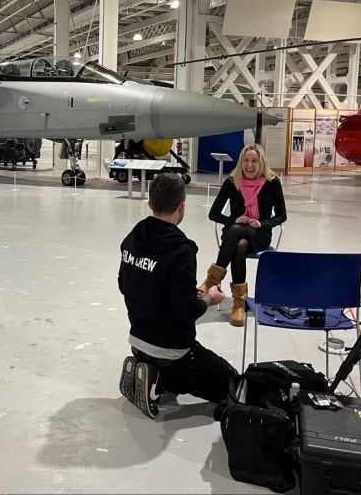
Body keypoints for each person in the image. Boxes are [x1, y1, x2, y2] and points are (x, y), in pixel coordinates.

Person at [118, 172, 239, 419]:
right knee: (234, 384)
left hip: (138, 339)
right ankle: (160, 379)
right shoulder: (180, 250)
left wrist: (181, 293)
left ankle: (150, 372)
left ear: (150, 204)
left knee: (182, 370)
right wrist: (209, 299)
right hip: (174, 351)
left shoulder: (134, 237)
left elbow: (125, 284)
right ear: (182, 207)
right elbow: (186, 312)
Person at [201, 144, 287, 327]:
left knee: (235, 233)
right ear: (241, 162)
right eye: (246, 160)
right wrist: (234, 219)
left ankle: (211, 281)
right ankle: (239, 303)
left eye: (254, 161)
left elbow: (282, 215)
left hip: (260, 234)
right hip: (235, 232)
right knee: (240, 244)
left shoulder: (272, 182)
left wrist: (262, 223)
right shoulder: (232, 182)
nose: (249, 165)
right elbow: (213, 214)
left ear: (261, 162)